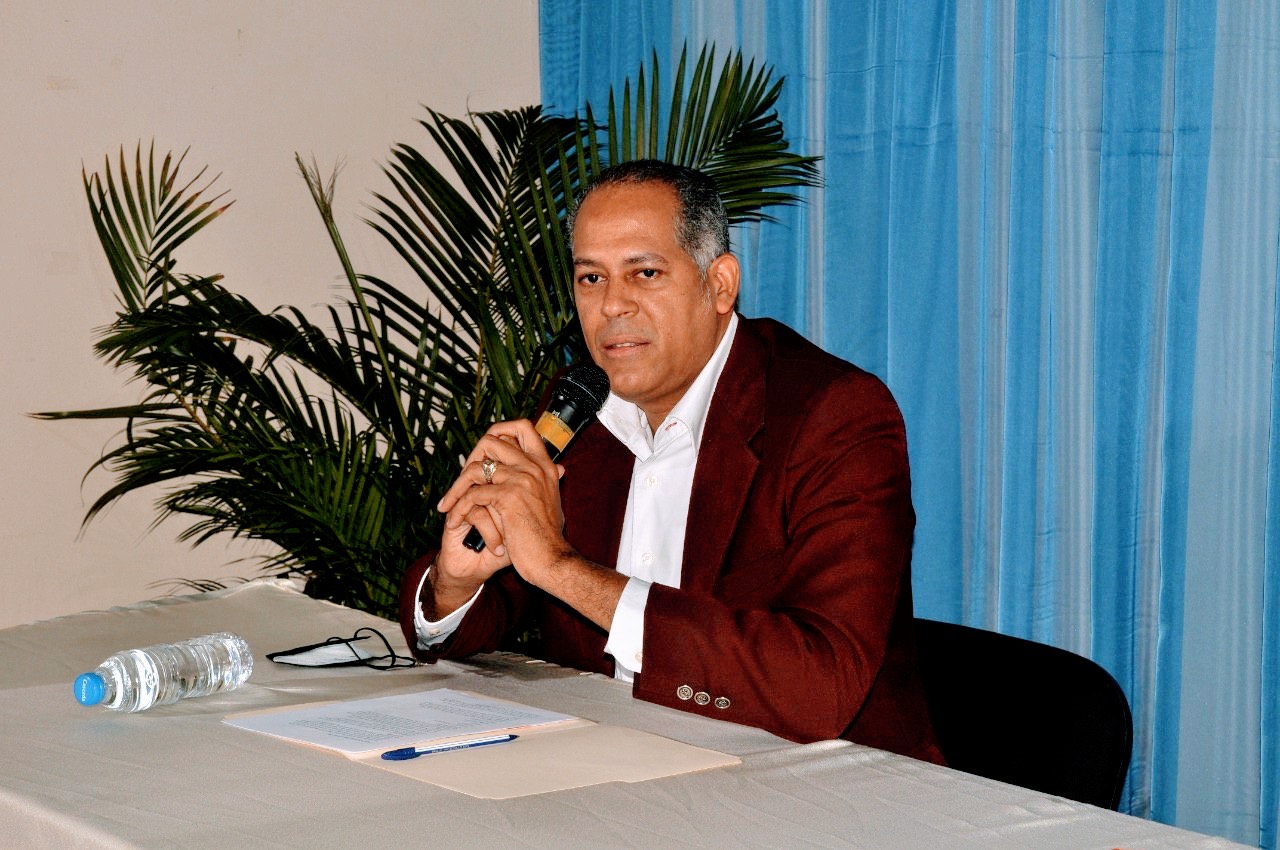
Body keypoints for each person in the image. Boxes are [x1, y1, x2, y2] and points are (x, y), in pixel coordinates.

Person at [397, 160, 943, 763]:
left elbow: (820, 684)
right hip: (603, 760)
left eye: (645, 273)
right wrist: (455, 582)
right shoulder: (579, 410)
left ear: (720, 285)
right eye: (591, 278)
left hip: (816, 780)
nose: (612, 305)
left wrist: (559, 567)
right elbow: (493, 607)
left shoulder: (832, 414)